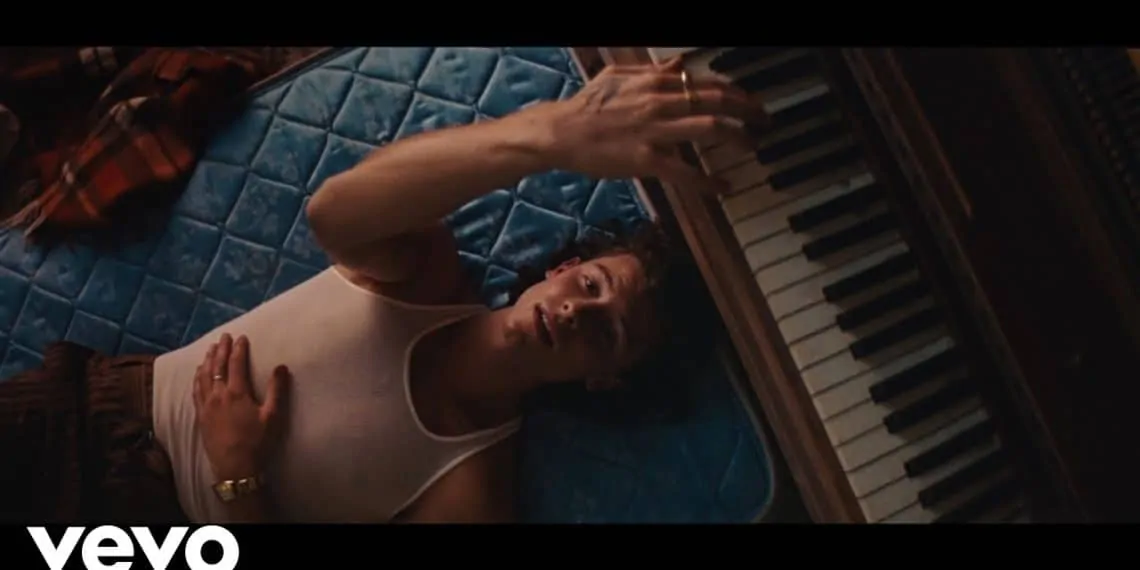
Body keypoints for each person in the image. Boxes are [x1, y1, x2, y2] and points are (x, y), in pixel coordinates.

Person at [0, 58, 764, 523]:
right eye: (591, 286)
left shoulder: (473, 491)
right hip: (91, 410)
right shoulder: (424, 274)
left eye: (606, 330)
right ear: (558, 271)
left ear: (605, 378)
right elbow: (335, 213)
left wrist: (238, 478)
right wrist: (551, 135)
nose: (575, 312)